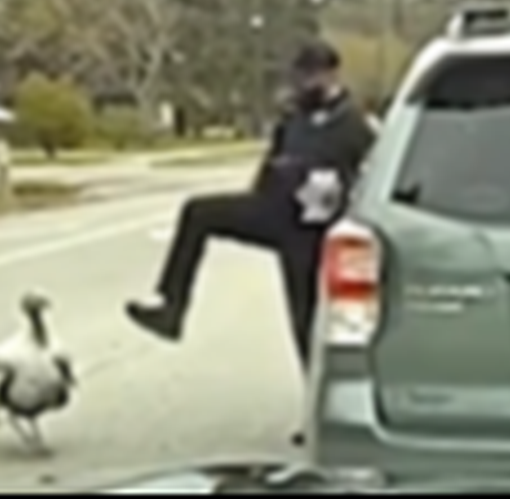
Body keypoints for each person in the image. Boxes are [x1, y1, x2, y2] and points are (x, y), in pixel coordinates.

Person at [123, 40, 376, 382]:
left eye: (313, 77)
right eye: (301, 77)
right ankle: (171, 308)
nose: (305, 85)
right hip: (273, 211)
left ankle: (315, 407)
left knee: (304, 318)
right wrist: (258, 192)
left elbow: (371, 176)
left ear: (332, 75)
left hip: (312, 230)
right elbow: (272, 161)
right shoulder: (292, 118)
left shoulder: (353, 125)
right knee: (198, 212)